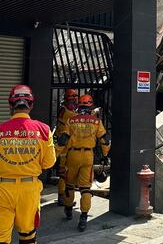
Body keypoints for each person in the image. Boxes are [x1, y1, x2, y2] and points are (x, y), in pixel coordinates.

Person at [0, 85, 56, 244]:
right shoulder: (44, 130)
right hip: (29, 190)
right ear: (30, 105)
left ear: (10, 105)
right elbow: (49, 163)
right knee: (28, 235)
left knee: (1, 237)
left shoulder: (1, 130)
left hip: (3, 190)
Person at [56, 94, 110, 232]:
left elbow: (63, 140)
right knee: (85, 188)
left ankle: (68, 209)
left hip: (73, 155)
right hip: (88, 156)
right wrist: (105, 156)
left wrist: (55, 155)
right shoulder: (96, 122)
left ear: (79, 105)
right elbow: (105, 140)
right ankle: (84, 217)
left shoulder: (72, 120)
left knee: (69, 185)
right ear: (91, 105)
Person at [54, 89, 78, 206]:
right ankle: (62, 197)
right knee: (64, 173)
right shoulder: (66, 112)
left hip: (67, 145)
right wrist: (91, 114)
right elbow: (76, 117)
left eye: (75, 97)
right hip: (63, 146)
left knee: (65, 172)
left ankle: (62, 196)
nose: (75, 100)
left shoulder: (65, 109)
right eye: (72, 97)